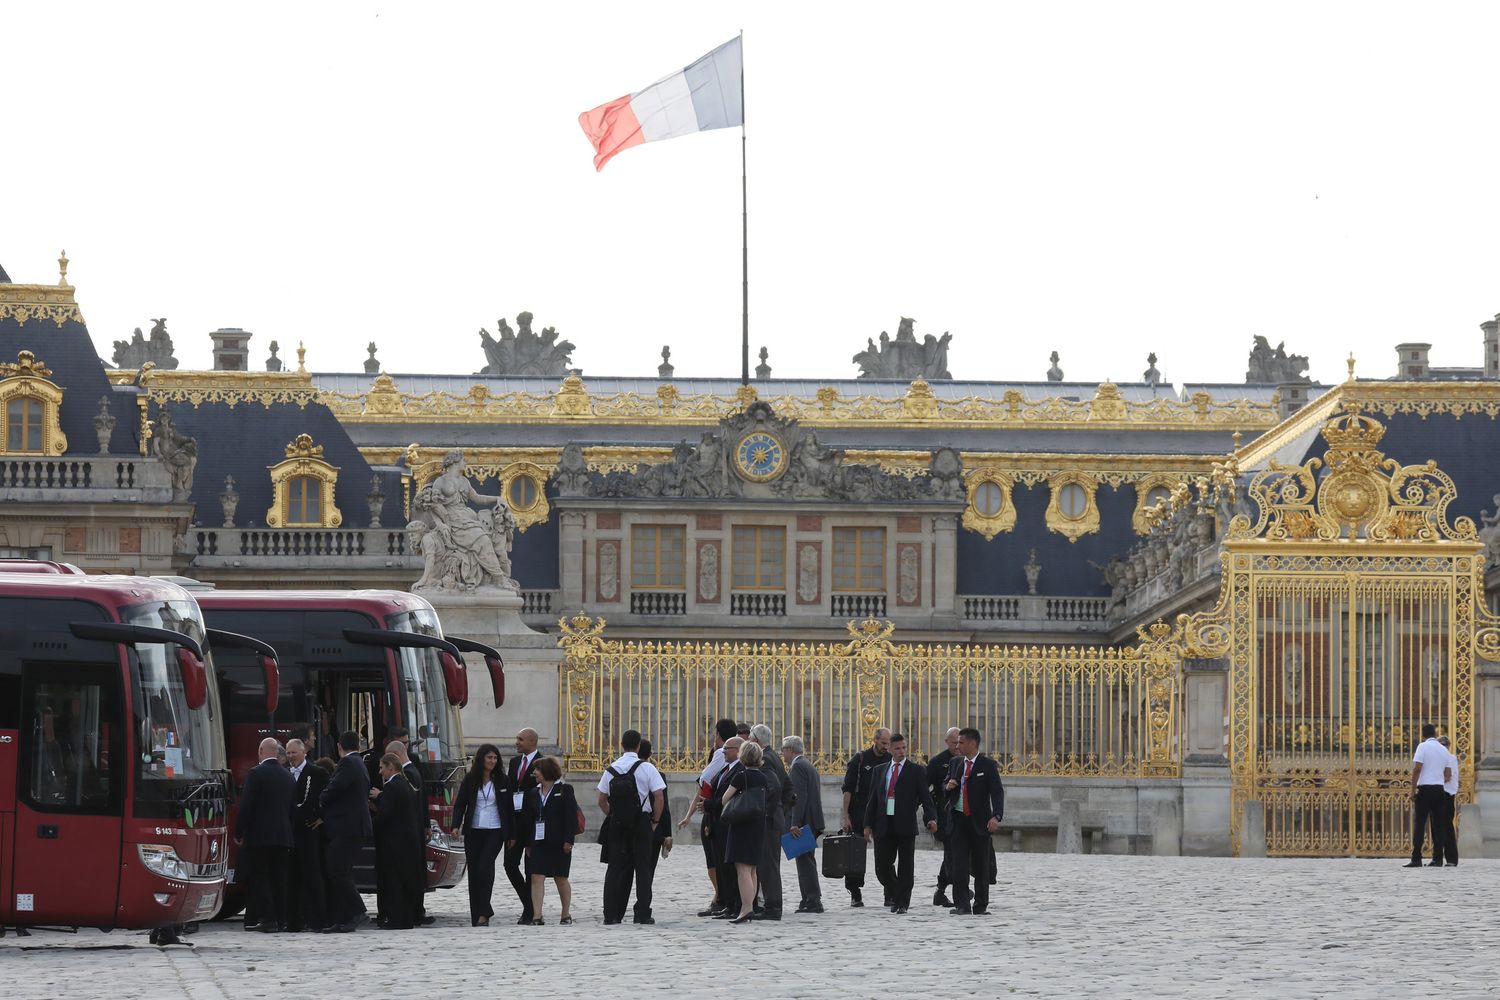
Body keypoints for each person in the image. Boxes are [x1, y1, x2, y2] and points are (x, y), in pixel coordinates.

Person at [863, 733, 937, 914]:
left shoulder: (916, 770)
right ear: (890, 749)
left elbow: (926, 797)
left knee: (906, 866)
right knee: (882, 866)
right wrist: (867, 824)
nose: (902, 751)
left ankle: (902, 902)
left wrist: (931, 817)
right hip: (884, 823)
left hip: (905, 824)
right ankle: (897, 892)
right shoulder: (879, 770)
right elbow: (873, 799)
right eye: (897, 748)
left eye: (904, 747)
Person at [597, 729, 666, 925]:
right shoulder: (647, 768)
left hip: (617, 823)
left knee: (614, 868)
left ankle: (611, 914)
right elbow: (659, 796)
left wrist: (613, 814)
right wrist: (655, 821)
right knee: (643, 868)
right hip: (641, 821)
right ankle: (642, 913)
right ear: (638, 746)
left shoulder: (611, 769)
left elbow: (601, 799)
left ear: (621, 745)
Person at [677, 718, 737, 915]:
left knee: (716, 859)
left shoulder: (721, 754)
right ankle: (720, 897)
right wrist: (688, 815)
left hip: (716, 813)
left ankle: (721, 898)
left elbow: (704, 780)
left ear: (718, 735)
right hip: (717, 811)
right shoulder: (728, 760)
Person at [235, 737, 295, 933]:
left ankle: (268, 918)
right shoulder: (288, 776)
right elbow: (292, 808)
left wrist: (239, 831)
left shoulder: (255, 773)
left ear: (261, 751)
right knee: (280, 878)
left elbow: (246, 806)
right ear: (277, 752)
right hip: (283, 835)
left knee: (260, 877)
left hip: (260, 836)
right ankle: (281, 919)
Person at [944, 727, 1005, 915]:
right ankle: (962, 905)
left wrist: (996, 816)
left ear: (972, 743)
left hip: (980, 822)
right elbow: (945, 785)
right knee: (959, 865)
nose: (957, 746)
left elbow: (997, 792)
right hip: (958, 820)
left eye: (961, 742)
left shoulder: (987, 765)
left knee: (981, 866)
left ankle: (980, 905)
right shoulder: (955, 763)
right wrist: (948, 786)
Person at [320, 731, 373, 933]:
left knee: (337, 869)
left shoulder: (348, 763)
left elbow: (336, 787)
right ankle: (344, 918)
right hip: (354, 826)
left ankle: (358, 911)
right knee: (342, 870)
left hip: (348, 827)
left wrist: (321, 798)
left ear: (339, 746)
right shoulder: (359, 762)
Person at [451, 743, 507, 926]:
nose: (492, 761)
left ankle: (485, 911)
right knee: (474, 871)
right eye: (489, 757)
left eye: (495, 758)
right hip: (474, 830)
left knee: (485, 867)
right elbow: (460, 804)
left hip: (495, 830)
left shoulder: (502, 780)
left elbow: (508, 808)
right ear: (481, 759)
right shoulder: (470, 779)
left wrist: (511, 834)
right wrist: (455, 825)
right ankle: (477, 914)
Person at [839, 727, 891, 907]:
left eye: (888, 743)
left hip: (882, 813)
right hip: (860, 811)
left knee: (885, 856)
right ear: (875, 740)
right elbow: (848, 789)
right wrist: (845, 816)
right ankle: (855, 892)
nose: (886, 747)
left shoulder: (890, 760)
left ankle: (889, 891)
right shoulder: (860, 759)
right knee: (855, 855)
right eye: (883, 743)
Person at [522, 756, 577, 925]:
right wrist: (528, 843)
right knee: (536, 877)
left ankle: (565, 913)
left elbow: (571, 817)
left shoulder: (565, 790)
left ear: (546, 771)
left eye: (537, 770)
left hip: (559, 842)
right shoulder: (533, 793)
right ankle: (537, 915)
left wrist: (569, 840)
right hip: (538, 842)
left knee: (560, 877)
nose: (534, 773)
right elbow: (527, 820)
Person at [719, 740, 769, 924]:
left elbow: (724, 799)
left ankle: (746, 908)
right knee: (753, 869)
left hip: (741, 825)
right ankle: (750, 907)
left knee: (742, 869)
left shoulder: (741, 776)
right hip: (758, 825)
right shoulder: (763, 777)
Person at [373, 753, 424, 929]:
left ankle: (395, 920)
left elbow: (386, 814)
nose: (380, 772)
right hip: (408, 842)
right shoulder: (405, 784)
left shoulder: (392, 786)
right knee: (406, 881)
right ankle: (406, 920)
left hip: (394, 843)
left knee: (394, 882)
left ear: (391, 767)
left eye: (382, 767)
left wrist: (370, 824)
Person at [284, 738, 329, 933]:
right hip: (289, 833)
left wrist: (322, 818)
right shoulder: (284, 773)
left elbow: (329, 797)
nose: (290, 756)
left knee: (312, 875)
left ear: (304, 753)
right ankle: (294, 920)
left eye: (294, 752)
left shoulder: (317, 773)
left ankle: (317, 919)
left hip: (309, 832)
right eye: (288, 753)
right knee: (291, 877)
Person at [750, 724, 792, 920]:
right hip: (776, 817)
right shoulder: (774, 756)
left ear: (757, 741)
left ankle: (773, 907)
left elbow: (774, 788)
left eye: (750, 740)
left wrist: (768, 811)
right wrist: (782, 809)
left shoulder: (765, 758)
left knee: (768, 865)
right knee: (769, 864)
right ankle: (769, 905)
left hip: (769, 819)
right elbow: (789, 788)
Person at [781, 735, 824, 914]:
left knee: (805, 862)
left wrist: (795, 823)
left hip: (803, 822)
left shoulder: (798, 766)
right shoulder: (807, 765)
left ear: (790, 750)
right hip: (811, 820)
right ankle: (808, 898)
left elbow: (798, 798)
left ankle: (812, 899)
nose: (782, 753)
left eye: (783, 750)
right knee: (806, 861)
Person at [1405, 724, 1454, 868]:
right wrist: (1437, 778)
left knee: (1420, 823)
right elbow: (1448, 773)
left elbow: (1417, 769)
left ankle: (1416, 858)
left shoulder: (1422, 746)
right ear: (1435, 734)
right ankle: (1438, 859)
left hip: (1425, 788)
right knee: (1439, 825)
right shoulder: (1443, 750)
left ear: (1423, 735)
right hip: (1439, 789)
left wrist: (1412, 789)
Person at [505, 728, 540, 923]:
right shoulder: (514, 762)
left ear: (532, 742)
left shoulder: (542, 762)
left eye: (520, 739)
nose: (517, 742)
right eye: (517, 738)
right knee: (509, 865)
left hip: (531, 823)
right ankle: (529, 904)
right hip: (514, 822)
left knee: (530, 869)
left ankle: (529, 912)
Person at [925, 727, 961, 906]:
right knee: (951, 852)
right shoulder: (937, 762)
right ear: (946, 742)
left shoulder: (967, 760)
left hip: (963, 815)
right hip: (944, 816)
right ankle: (957, 888)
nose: (957, 746)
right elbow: (923, 790)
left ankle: (941, 891)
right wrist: (929, 817)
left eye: (960, 742)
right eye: (954, 742)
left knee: (956, 853)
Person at [640, 740, 673, 882]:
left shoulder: (623, 771)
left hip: (629, 825)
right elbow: (663, 805)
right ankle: (644, 895)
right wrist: (667, 834)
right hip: (653, 827)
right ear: (650, 754)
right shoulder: (657, 774)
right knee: (648, 870)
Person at [1437, 736, 1460, 866]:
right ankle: (1438, 857)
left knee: (1446, 827)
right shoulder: (1447, 757)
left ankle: (1451, 858)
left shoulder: (1449, 758)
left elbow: (1447, 776)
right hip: (1442, 793)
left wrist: (1432, 779)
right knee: (1440, 827)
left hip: (1446, 794)